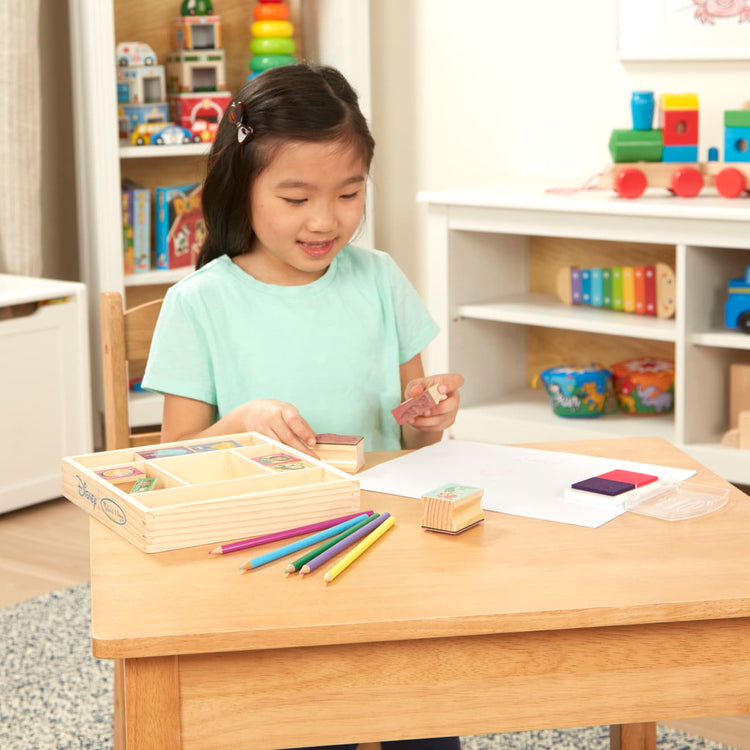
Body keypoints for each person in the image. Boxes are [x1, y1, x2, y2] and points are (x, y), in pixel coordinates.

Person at [142, 63, 463, 750]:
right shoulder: (200, 305)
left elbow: (412, 446)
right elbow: (171, 467)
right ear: (241, 187)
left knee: (429, 714)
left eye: (349, 193)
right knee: (306, 724)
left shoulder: (379, 280)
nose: (326, 220)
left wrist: (428, 419)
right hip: (268, 560)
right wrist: (241, 428)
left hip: (385, 547)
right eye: (295, 198)